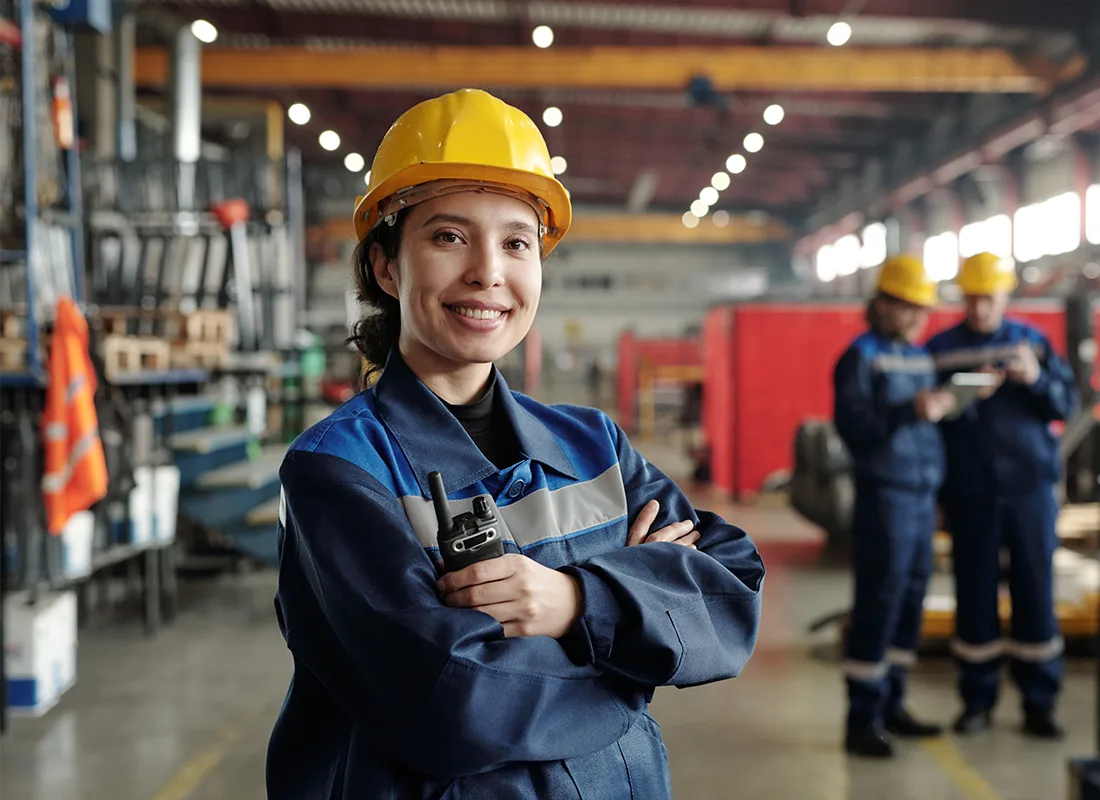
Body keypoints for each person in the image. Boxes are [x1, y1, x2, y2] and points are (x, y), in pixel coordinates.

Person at [265, 88, 766, 799]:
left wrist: (576, 603)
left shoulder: (593, 444)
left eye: (516, 242)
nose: (488, 272)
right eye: (448, 236)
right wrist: (640, 651)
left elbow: (731, 596)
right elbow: (453, 704)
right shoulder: (339, 471)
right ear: (385, 266)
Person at [927, 251, 1078, 739]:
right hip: (971, 492)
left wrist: (1034, 378)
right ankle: (977, 701)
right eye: (971, 298)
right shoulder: (941, 348)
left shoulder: (1030, 342)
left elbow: (1066, 402)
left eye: (988, 298)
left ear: (1005, 296)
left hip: (1030, 489)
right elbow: (931, 424)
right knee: (974, 595)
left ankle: (1040, 702)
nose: (979, 308)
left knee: (1036, 590)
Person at [833, 255, 956, 758]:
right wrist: (911, 411)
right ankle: (861, 719)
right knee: (880, 601)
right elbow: (856, 430)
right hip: (885, 496)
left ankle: (893, 705)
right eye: (908, 308)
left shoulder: (922, 356)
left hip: (922, 494)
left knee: (910, 601)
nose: (917, 317)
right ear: (882, 303)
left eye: (921, 309)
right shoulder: (859, 357)